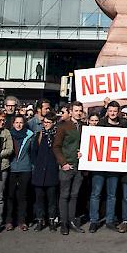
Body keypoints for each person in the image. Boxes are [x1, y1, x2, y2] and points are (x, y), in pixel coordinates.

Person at [89, 100, 127, 232]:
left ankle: (110, 220)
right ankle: (94, 221)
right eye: (110, 111)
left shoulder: (124, 125)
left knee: (112, 195)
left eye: (115, 111)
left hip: (115, 166)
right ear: (107, 111)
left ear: (118, 112)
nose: (112, 113)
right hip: (99, 165)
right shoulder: (100, 124)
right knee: (96, 193)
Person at [53, 100, 85, 235]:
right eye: (76, 111)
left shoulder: (84, 126)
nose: (78, 113)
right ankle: (64, 223)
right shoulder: (63, 126)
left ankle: (72, 221)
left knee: (74, 195)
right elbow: (56, 146)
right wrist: (63, 163)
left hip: (80, 167)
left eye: (80, 111)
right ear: (71, 111)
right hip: (67, 165)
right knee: (64, 195)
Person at [30, 111, 60, 232]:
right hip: (39, 171)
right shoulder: (39, 135)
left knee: (52, 198)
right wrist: (36, 165)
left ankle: (52, 220)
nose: (45, 124)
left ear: (54, 123)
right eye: (44, 122)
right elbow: (34, 152)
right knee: (39, 199)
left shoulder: (57, 135)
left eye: (48, 122)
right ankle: (40, 220)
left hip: (51, 171)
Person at [6, 115, 34, 231]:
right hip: (11, 168)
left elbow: (33, 152)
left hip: (25, 168)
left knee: (23, 196)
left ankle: (22, 221)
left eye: (21, 122)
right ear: (13, 124)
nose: (18, 125)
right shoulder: (9, 134)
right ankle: (9, 221)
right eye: (16, 122)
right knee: (10, 195)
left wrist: (32, 166)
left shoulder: (30, 135)